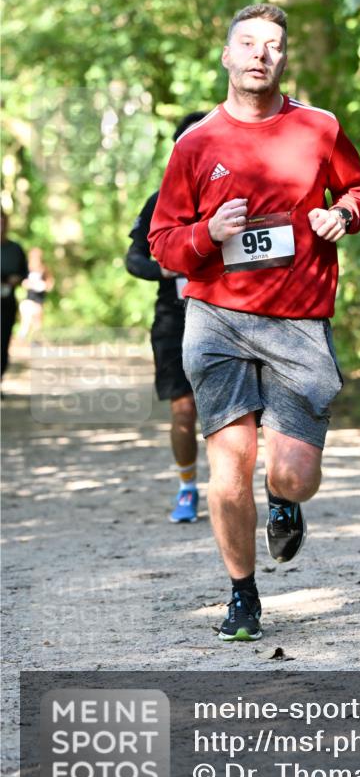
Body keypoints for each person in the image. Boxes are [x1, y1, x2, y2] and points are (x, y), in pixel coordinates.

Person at [149, 3, 360, 641]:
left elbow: (359, 190)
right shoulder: (195, 145)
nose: (259, 54)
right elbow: (163, 241)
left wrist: (344, 217)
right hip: (216, 318)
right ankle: (241, 596)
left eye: (272, 45)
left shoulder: (320, 129)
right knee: (229, 467)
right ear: (226, 56)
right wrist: (205, 234)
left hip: (298, 319)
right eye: (247, 43)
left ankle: (284, 504)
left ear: (284, 58)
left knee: (293, 476)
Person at [126, 113, 208, 523]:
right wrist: (164, 269)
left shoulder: (236, 193)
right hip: (175, 319)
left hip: (233, 313)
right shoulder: (160, 202)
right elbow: (134, 258)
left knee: (241, 413)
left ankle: (255, 488)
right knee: (183, 409)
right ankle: (188, 488)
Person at [1, 210, 28, 387]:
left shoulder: (15, 249)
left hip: (6, 303)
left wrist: (14, 280)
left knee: (2, 342)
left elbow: (23, 273)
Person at [18, 247, 53, 340]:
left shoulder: (44, 269)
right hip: (29, 299)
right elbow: (21, 282)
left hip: (39, 300)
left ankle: (35, 340)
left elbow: (49, 284)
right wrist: (28, 284)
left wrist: (42, 286)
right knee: (26, 320)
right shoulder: (26, 268)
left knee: (37, 322)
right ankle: (22, 337)